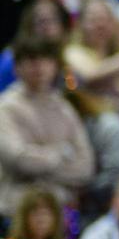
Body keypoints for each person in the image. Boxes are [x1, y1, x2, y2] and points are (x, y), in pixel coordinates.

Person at [0, 35, 95, 221]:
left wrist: (39, 163)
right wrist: (61, 154)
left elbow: (85, 166)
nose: (40, 67)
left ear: (55, 66)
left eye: (46, 60)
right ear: (18, 67)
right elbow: (19, 160)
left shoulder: (64, 108)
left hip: (60, 215)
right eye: (32, 61)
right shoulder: (6, 108)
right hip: (16, 213)